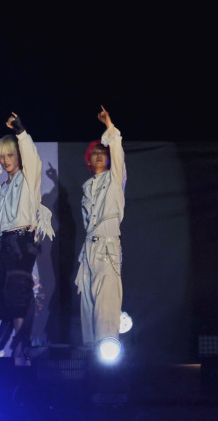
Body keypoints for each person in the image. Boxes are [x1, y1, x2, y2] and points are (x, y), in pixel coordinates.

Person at [0, 112, 54, 363]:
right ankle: (19, 346)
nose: (5, 160)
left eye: (10, 155)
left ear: (18, 156)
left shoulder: (28, 178)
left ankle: (22, 347)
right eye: (2, 156)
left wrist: (20, 131)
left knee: (17, 290)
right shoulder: (3, 188)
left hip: (23, 240)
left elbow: (33, 159)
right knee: (5, 294)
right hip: (6, 242)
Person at [75, 105, 125, 346]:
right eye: (94, 152)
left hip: (107, 248)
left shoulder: (115, 179)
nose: (98, 155)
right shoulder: (86, 188)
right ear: (88, 158)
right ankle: (89, 353)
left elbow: (117, 152)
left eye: (102, 152)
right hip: (89, 250)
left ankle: (105, 356)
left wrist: (109, 126)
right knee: (87, 306)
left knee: (106, 307)